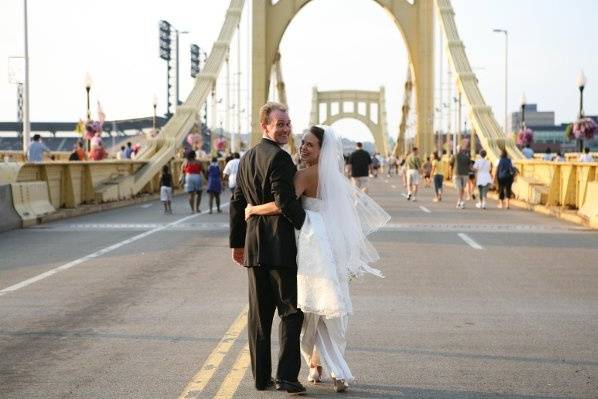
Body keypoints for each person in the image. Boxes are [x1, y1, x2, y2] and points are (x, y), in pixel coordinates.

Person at [245, 125, 389, 393]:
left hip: (311, 243)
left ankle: (316, 367)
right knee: (329, 309)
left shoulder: (304, 174)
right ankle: (334, 369)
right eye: (302, 143)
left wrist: (253, 208)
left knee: (310, 308)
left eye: (310, 144)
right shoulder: (332, 177)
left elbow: (282, 204)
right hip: (331, 242)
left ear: (323, 150)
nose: (303, 148)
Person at [229, 102, 307, 395]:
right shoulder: (282, 159)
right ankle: (287, 377)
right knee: (290, 311)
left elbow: (238, 202)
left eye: (288, 123)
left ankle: (261, 378)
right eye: (280, 124)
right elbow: (285, 202)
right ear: (265, 126)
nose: (286, 128)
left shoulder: (247, 157)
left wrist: (237, 243)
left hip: (253, 248)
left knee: (258, 316)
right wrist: (308, 226)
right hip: (280, 248)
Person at [453, 141, 471, 209]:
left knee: (459, 188)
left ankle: (460, 201)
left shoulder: (455, 156)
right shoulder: (466, 157)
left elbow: (451, 164)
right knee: (462, 188)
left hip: (457, 174)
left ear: (457, 150)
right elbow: (469, 164)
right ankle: (461, 201)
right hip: (465, 174)